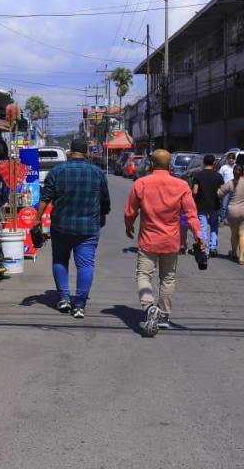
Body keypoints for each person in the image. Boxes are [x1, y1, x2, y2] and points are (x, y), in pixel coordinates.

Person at [124, 149, 204, 336]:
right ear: (170, 165)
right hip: (171, 241)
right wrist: (199, 236)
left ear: (152, 164)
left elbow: (130, 211)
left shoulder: (141, 183)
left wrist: (129, 227)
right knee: (168, 278)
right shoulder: (182, 185)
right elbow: (191, 215)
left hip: (148, 241)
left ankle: (149, 306)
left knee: (144, 276)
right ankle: (164, 316)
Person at [35, 138, 110, 319]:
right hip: (88, 228)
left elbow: (45, 198)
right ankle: (79, 305)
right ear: (87, 153)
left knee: (60, 260)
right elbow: (105, 201)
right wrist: (103, 216)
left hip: (61, 226)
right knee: (85, 264)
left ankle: (64, 299)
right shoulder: (97, 172)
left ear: (70, 153)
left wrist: (37, 220)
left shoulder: (57, 171)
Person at [192, 154, 223, 253]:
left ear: (204, 162)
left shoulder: (198, 175)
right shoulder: (218, 176)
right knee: (214, 225)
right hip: (214, 204)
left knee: (203, 227)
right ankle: (213, 247)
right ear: (214, 163)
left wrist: (193, 201)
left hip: (201, 204)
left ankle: (204, 249)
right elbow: (221, 190)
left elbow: (195, 191)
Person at [218, 153, 236, 224]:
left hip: (235, 189)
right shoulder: (223, 168)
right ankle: (222, 219)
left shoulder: (236, 167)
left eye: (232, 158)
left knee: (233, 206)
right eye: (230, 158)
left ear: (234, 159)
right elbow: (220, 178)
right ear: (227, 159)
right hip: (226, 189)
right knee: (224, 205)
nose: (231, 160)